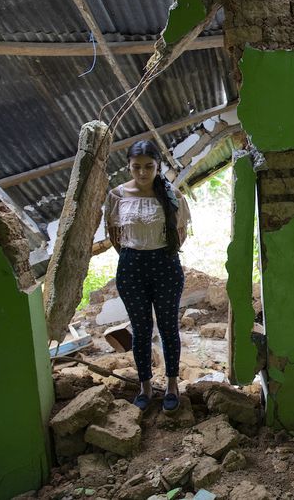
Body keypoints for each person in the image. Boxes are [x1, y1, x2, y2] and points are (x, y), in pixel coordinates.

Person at [104, 140, 191, 411]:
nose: (142, 173)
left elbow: (180, 235)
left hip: (166, 266)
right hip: (131, 268)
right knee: (141, 330)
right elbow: (115, 235)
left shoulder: (172, 195)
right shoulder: (117, 196)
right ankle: (145, 386)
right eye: (136, 167)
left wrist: (156, 252)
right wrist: (134, 256)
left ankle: (172, 385)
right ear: (128, 166)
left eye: (149, 167)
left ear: (158, 166)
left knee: (168, 327)